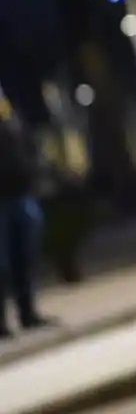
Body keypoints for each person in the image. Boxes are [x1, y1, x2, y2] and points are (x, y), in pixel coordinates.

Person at [0, 101, 52, 337]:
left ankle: (28, 313)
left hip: (22, 195)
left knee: (25, 258)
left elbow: (29, 146)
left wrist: (34, 172)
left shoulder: (12, 119)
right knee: (3, 266)